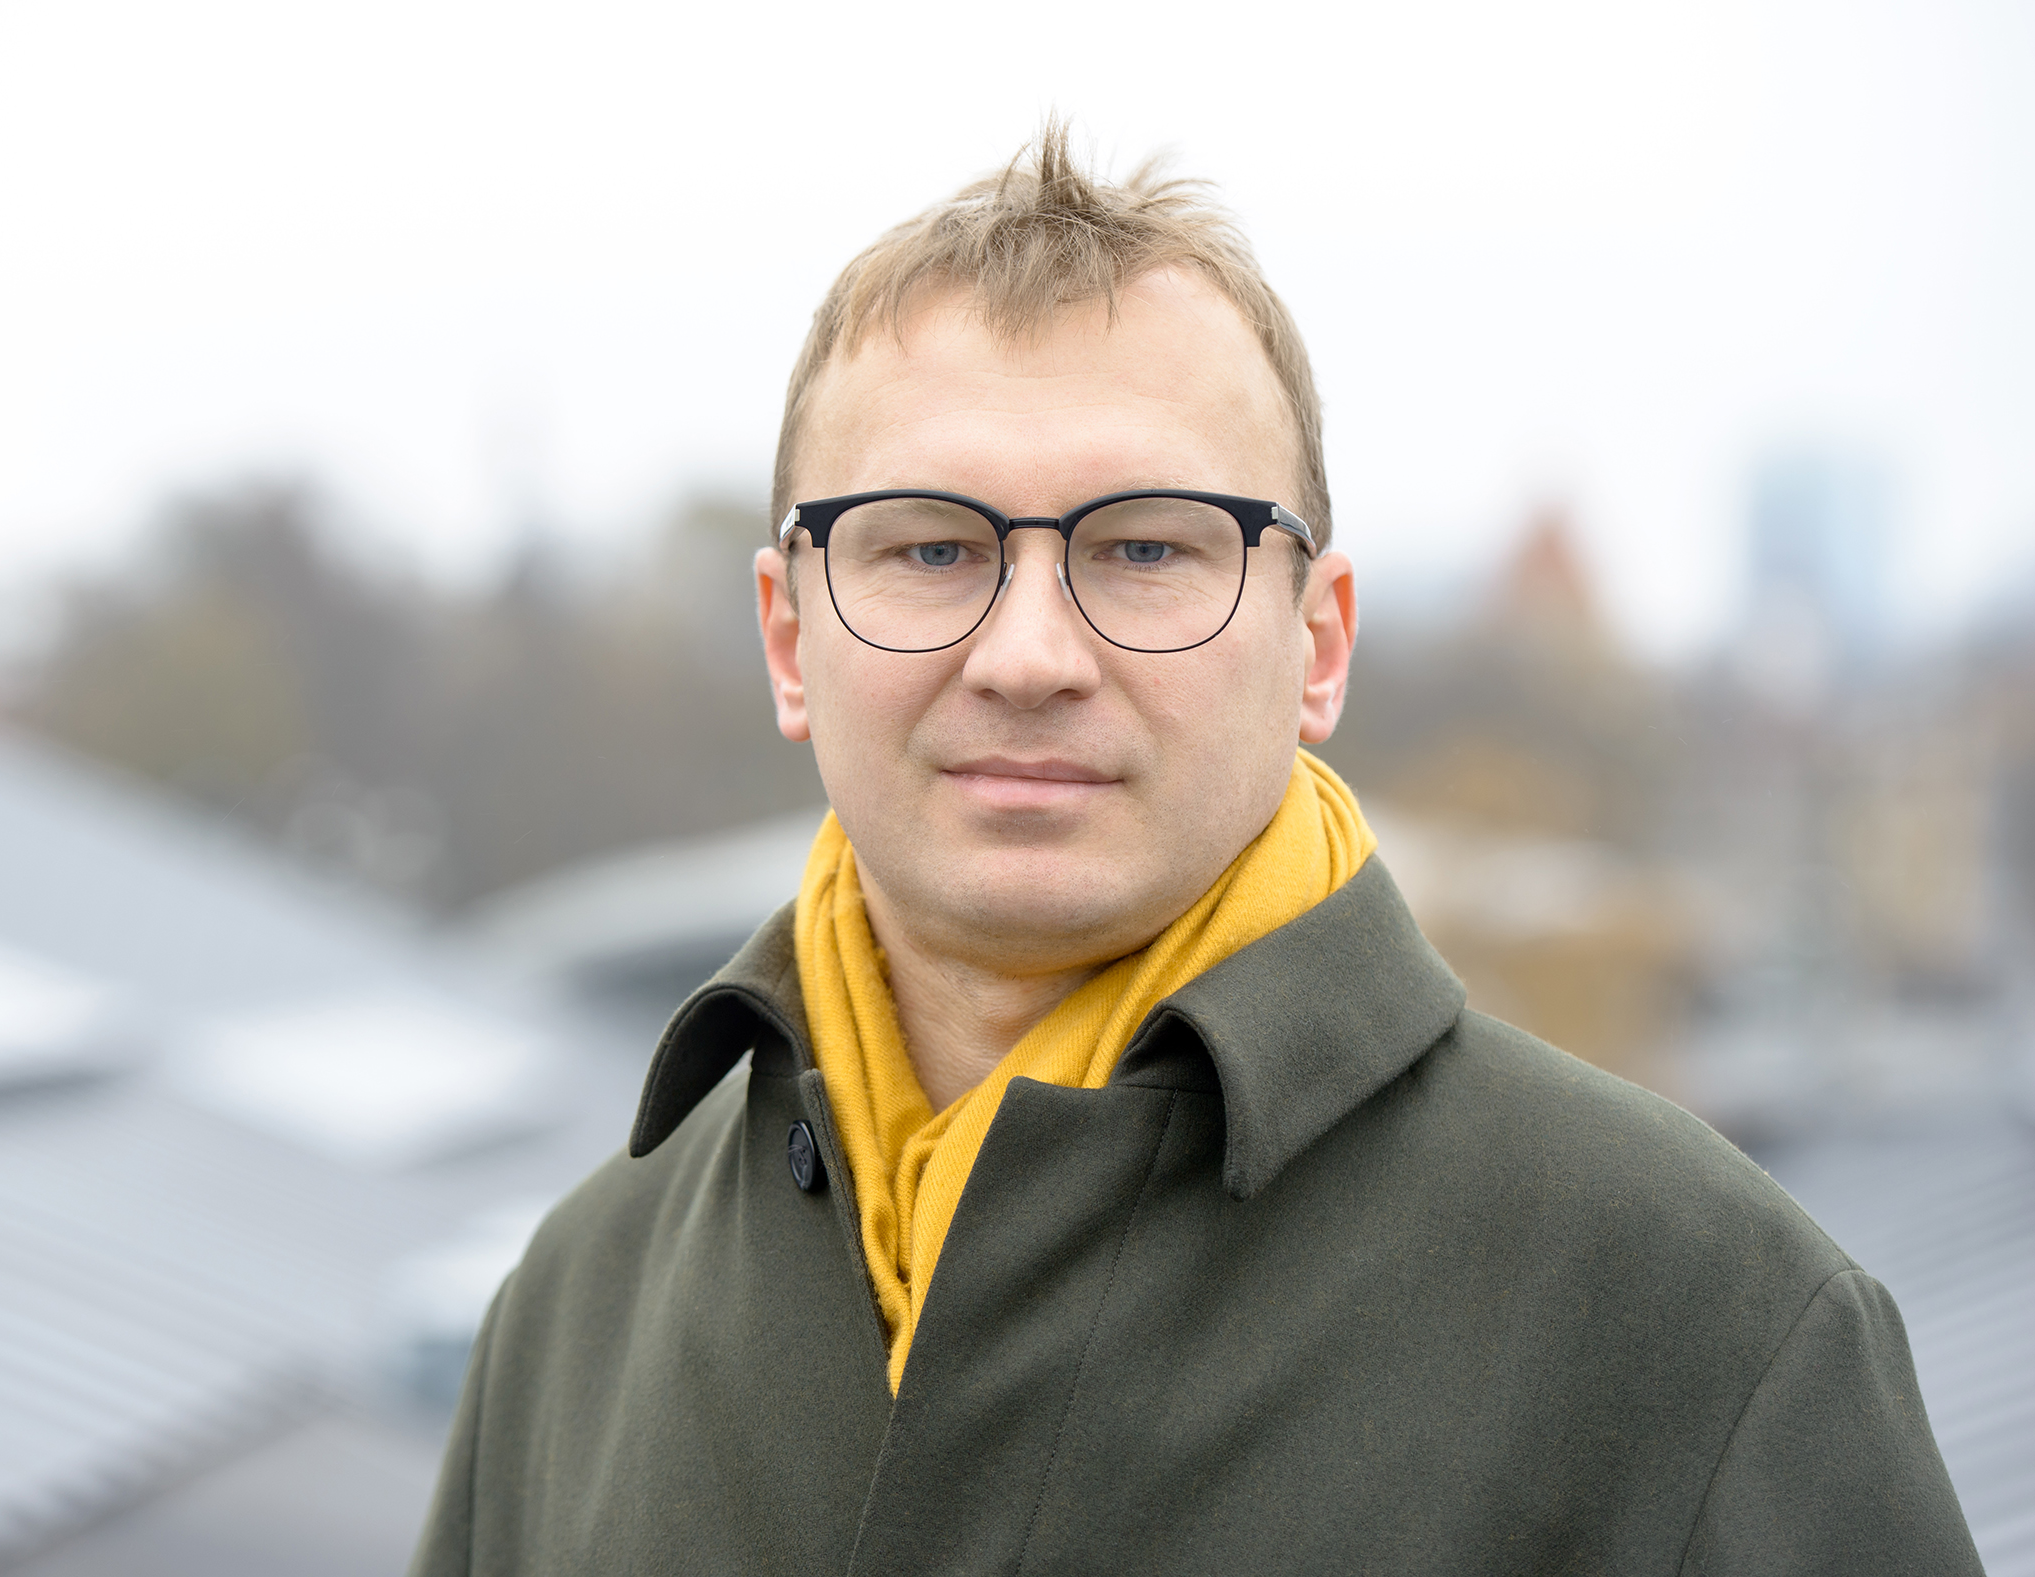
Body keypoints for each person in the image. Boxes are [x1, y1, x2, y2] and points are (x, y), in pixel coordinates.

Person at [410, 127, 1980, 1575]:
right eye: (929, 546)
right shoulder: (574, 1318)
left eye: (1146, 546)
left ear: (1319, 643)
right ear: (785, 636)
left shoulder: (1702, 1327)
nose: (1028, 654)